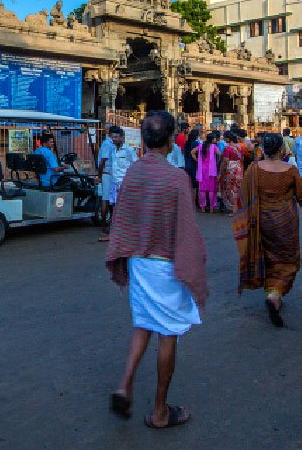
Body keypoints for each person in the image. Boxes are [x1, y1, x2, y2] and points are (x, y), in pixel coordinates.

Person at [106, 110, 208, 429]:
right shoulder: (177, 178)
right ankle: (161, 410)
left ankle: (124, 384)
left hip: (138, 262)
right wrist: (193, 263)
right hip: (165, 265)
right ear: (169, 140)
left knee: (142, 323)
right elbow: (187, 231)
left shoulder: (133, 173)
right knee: (167, 334)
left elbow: (121, 220)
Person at [238, 133, 302, 328]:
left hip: (262, 220)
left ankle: (272, 293)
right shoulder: (290, 170)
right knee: (287, 259)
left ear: (263, 149)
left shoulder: (254, 169)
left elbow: (243, 196)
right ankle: (275, 294)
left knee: (268, 257)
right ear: (282, 150)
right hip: (286, 222)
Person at [99, 128, 138, 243]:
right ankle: (116, 234)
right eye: (113, 137)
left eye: (116, 137)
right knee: (115, 210)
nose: (114, 139)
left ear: (122, 137)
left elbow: (135, 166)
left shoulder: (129, 150)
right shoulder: (112, 150)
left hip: (124, 184)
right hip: (114, 183)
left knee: (123, 210)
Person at [97, 127, 118, 239]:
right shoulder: (107, 144)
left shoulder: (113, 144)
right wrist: (99, 176)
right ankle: (104, 225)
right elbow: (102, 162)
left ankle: (111, 225)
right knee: (106, 199)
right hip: (106, 174)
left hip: (112, 174)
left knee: (111, 200)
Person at [192, 133, 221, 212]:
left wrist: (197, 160)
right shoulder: (214, 147)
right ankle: (212, 207)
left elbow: (193, 152)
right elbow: (220, 154)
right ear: (212, 139)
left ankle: (202, 207)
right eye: (214, 138)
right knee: (211, 189)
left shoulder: (201, 146)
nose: (215, 140)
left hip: (202, 170)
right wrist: (217, 162)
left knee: (202, 189)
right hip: (211, 170)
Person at [218, 130, 244, 213]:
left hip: (231, 169)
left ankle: (232, 208)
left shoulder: (227, 148)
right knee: (238, 187)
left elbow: (225, 160)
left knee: (230, 188)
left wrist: (221, 172)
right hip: (239, 167)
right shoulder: (240, 148)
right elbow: (242, 158)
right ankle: (238, 207)